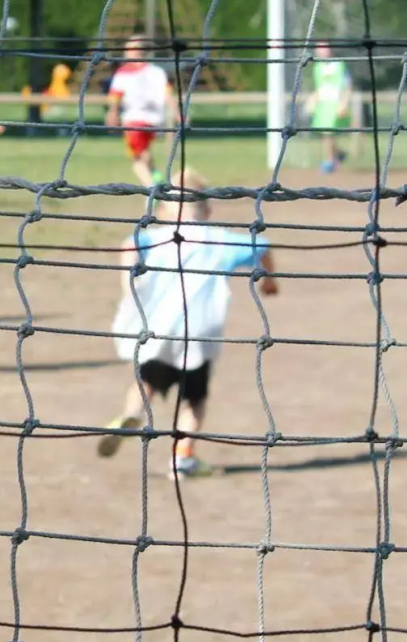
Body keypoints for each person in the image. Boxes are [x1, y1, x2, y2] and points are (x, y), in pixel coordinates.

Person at [97, 169, 278, 479]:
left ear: (164, 210)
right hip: (198, 331)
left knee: (146, 382)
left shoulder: (152, 238)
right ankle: (182, 457)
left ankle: (131, 415)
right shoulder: (219, 240)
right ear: (207, 210)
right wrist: (269, 281)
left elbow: (129, 247)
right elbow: (261, 246)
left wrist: (128, 286)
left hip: (158, 328)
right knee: (194, 398)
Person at [105, 35, 179, 187]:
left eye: (129, 49)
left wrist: (112, 113)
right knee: (144, 152)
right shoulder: (157, 71)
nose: (126, 52)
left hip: (134, 120)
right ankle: (157, 177)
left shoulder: (125, 72)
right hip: (154, 121)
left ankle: (151, 188)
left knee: (136, 159)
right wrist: (178, 113)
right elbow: (168, 94)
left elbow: (115, 96)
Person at [303, 42, 352, 174]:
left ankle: (329, 161)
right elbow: (319, 88)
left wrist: (344, 103)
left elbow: (347, 86)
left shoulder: (339, 65)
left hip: (335, 104)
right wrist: (312, 101)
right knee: (325, 134)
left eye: (325, 48)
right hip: (323, 105)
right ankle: (339, 154)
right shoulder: (318, 67)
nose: (322, 51)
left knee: (328, 133)